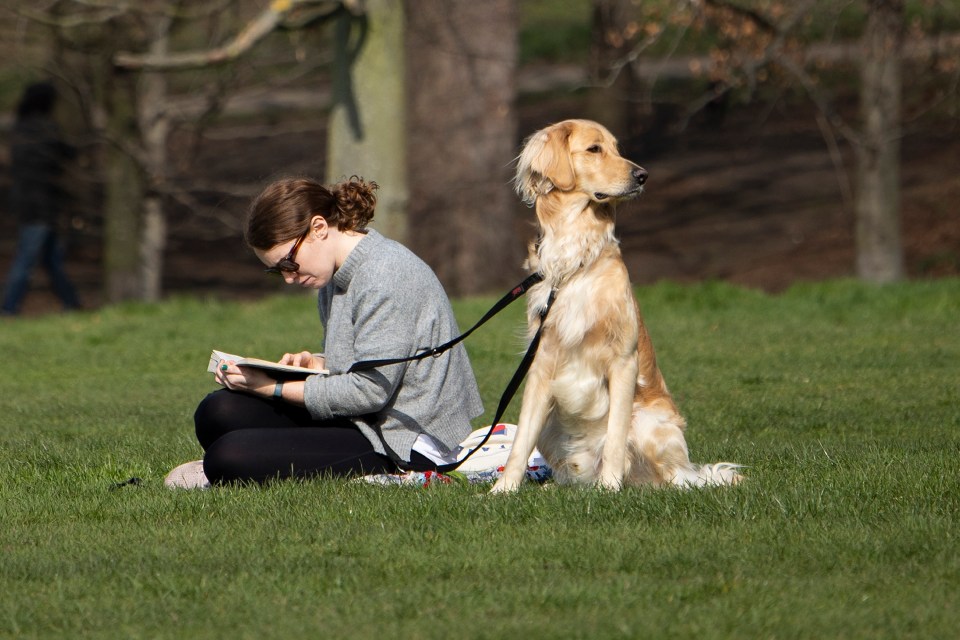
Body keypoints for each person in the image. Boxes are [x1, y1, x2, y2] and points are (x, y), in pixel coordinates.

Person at [166, 176, 483, 487]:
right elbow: (368, 359)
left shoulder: (386, 274)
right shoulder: (335, 276)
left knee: (228, 456)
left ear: (318, 228)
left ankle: (248, 462)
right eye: (278, 271)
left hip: (404, 440)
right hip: (366, 420)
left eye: (289, 263)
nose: (289, 278)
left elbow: (369, 391)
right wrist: (317, 364)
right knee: (217, 410)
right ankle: (260, 460)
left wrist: (271, 388)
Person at [1, 81, 81, 315]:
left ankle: (72, 304)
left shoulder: (21, 127)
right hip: (40, 206)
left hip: (31, 204)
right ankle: (8, 308)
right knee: (27, 259)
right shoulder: (45, 129)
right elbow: (59, 157)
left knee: (51, 260)